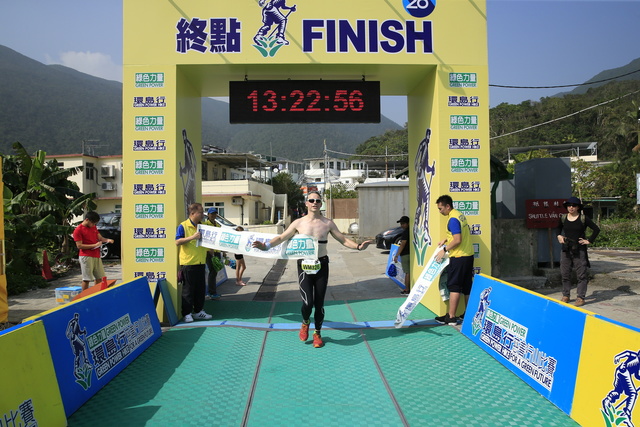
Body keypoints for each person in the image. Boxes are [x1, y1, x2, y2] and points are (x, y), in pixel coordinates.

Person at [253, 192, 373, 348]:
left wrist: (358, 246)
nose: (314, 202)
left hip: (321, 265)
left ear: (321, 203)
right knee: (307, 302)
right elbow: (282, 237)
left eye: (317, 200)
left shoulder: (328, 223)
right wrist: (266, 246)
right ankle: (305, 322)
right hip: (304, 265)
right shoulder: (298, 223)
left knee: (319, 303)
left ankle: (317, 333)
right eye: (311, 200)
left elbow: (343, 239)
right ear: (306, 203)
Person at [434, 195, 474, 326]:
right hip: (468, 256)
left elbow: (457, 240)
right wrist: (446, 239)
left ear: (447, 206)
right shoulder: (459, 215)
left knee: (454, 286)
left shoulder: (452, 219)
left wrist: (444, 249)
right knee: (467, 286)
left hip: (458, 257)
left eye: (440, 208)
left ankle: (451, 317)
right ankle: (468, 314)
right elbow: (457, 234)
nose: (440, 211)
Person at [556, 196, 600, 307]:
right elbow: (557, 229)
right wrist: (559, 236)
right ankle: (566, 295)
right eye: (569, 205)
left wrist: (589, 240)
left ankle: (580, 297)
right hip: (566, 249)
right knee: (565, 273)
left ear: (578, 207)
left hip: (579, 249)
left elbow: (596, 229)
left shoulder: (583, 218)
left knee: (581, 275)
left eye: (574, 206)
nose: (571, 207)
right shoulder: (563, 218)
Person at [176, 203, 213, 323]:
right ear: (192, 213)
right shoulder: (183, 226)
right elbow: (177, 241)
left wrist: (210, 250)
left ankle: (198, 311)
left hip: (201, 262)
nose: (203, 215)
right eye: (200, 212)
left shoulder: (202, 226)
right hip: (188, 263)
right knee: (188, 290)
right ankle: (187, 313)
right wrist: (192, 237)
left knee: (200, 289)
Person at [73, 211, 114, 291]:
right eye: (93, 223)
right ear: (87, 220)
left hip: (96, 255)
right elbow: (79, 245)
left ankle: (96, 293)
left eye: (95, 223)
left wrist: (107, 240)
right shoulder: (78, 230)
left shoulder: (93, 227)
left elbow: (100, 238)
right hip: (86, 256)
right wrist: (94, 245)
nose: (94, 225)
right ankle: (84, 295)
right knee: (87, 279)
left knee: (99, 277)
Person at [202, 207, 223, 300]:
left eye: (215, 214)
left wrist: (222, 250)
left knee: (215, 271)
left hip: (217, 251)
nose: (213, 215)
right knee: (212, 271)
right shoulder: (205, 225)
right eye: (212, 214)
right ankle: (211, 292)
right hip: (209, 252)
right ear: (208, 215)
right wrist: (209, 249)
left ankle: (212, 292)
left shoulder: (218, 225)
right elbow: (204, 239)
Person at [393, 216, 411, 295]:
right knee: (409, 272)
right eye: (401, 224)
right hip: (410, 253)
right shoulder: (411, 230)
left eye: (403, 223)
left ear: (408, 223)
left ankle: (407, 289)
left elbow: (403, 244)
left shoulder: (405, 232)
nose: (402, 225)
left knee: (407, 272)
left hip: (405, 254)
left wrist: (397, 255)